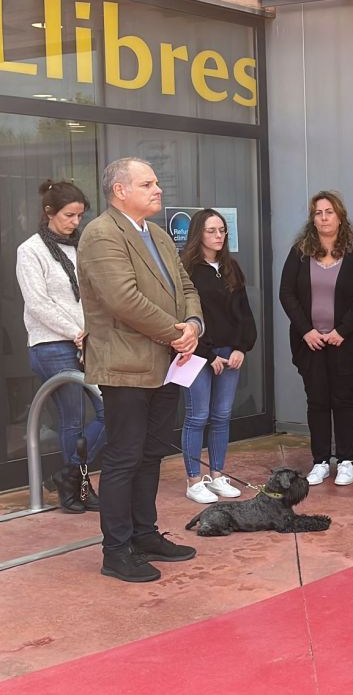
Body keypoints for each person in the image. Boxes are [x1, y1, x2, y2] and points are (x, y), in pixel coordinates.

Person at [77, 157, 203, 582]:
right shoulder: (101, 235)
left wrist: (194, 326)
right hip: (126, 367)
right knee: (123, 458)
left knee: (151, 455)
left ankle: (145, 535)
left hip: (167, 364)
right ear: (120, 191)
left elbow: (185, 286)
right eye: (147, 183)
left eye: (156, 183)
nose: (158, 190)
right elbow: (124, 300)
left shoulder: (160, 235)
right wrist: (176, 332)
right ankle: (116, 551)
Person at [16, 180, 105, 514]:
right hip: (52, 344)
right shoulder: (30, 250)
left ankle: (69, 477)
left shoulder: (80, 248)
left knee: (110, 410)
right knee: (72, 420)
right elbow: (38, 303)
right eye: (69, 215)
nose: (75, 222)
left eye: (80, 215)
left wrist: (91, 331)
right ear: (49, 212)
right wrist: (76, 330)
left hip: (87, 340)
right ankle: (78, 487)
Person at [279, 191, 353, 487]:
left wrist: (341, 331)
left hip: (345, 342)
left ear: (340, 216)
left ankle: (346, 461)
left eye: (329, 212)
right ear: (313, 218)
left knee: (344, 400)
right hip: (310, 342)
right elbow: (287, 293)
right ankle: (320, 461)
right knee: (317, 401)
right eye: (318, 213)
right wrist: (307, 330)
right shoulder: (300, 251)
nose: (323, 217)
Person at [179, 209, 257, 504]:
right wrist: (207, 353)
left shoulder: (231, 268)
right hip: (198, 354)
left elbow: (243, 313)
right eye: (212, 231)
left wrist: (240, 347)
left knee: (221, 416)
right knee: (197, 415)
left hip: (229, 352)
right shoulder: (186, 269)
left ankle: (217, 474)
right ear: (198, 233)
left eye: (222, 230)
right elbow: (187, 316)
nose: (219, 236)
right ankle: (193, 479)